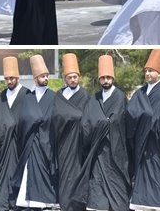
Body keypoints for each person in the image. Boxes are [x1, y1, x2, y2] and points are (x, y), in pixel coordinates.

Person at [125, 49, 160, 210]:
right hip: (141, 140)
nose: (148, 74)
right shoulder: (140, 92)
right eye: (146, 71)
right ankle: (141, 201)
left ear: (159, 73)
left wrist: (149, 120)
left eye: (151, 71)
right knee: (143, 170)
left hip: (158, 140)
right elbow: (131, 112)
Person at [79, 54, 131, 211]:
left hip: (115, 151)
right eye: (103, 78)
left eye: (108, 77)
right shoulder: (94, 98)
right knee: (97, 185)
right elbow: (87, 121)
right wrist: (100, 124)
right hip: (97, 151)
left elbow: (120, 121)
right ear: (99, 79)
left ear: (113, 78)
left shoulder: (120, 97)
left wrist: (105, 124)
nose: (106, 81)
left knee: (116, 184)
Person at [13, 55, 57, 209]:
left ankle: (44, 201)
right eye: (42, 76)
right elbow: (23, 119)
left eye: (46, 76)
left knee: (43, 170)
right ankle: (28, 201)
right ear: (35, 78)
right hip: (30, 141)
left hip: (45, 141)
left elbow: (55, 118)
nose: (45, 78)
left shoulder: (53, 96)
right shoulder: (28, 97)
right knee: (29, 170)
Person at [0, 56, 31, 210]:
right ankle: (3, 201)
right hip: (4, 144)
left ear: (18, 78)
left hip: (20, 143)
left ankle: (17, 201)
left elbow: (29, 118)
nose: (9, 81)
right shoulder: (2, 96)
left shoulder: (27, 94)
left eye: (12, 78)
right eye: (6, 78)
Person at [52, 53, 90, 210]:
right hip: (62, 141)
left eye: (75, 76)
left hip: (79, 144)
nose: (73, 80)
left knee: (76, 174)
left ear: (79, 76)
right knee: (64, 174)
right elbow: (55, 117)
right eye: (69, 77)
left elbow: (88, 119)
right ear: (65, 78)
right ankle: (64, 205)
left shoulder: (85, 96)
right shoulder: (59, 96)